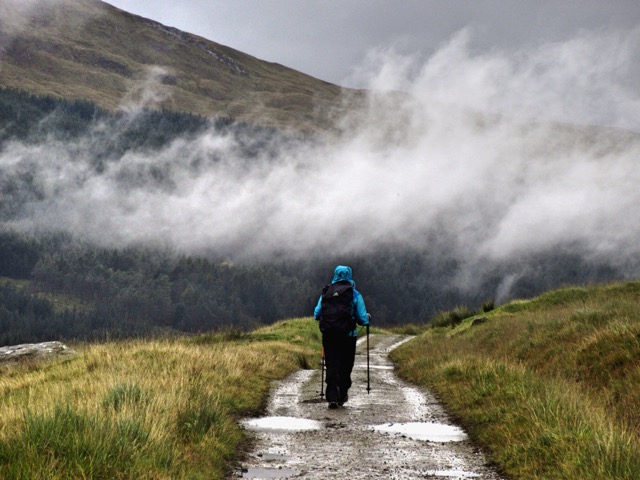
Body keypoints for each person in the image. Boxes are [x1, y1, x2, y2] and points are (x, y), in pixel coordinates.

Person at [314, 265, 370, 409]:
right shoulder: (354, 294)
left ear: (335, 275)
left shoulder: (326, 293)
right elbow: (363, 319)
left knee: (332, 364)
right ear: (349, 275)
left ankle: (332, 396)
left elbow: (317, 314)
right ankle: (342, 393)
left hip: (329, 335)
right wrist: (367, 318)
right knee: (346, 365)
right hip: (348, 336)